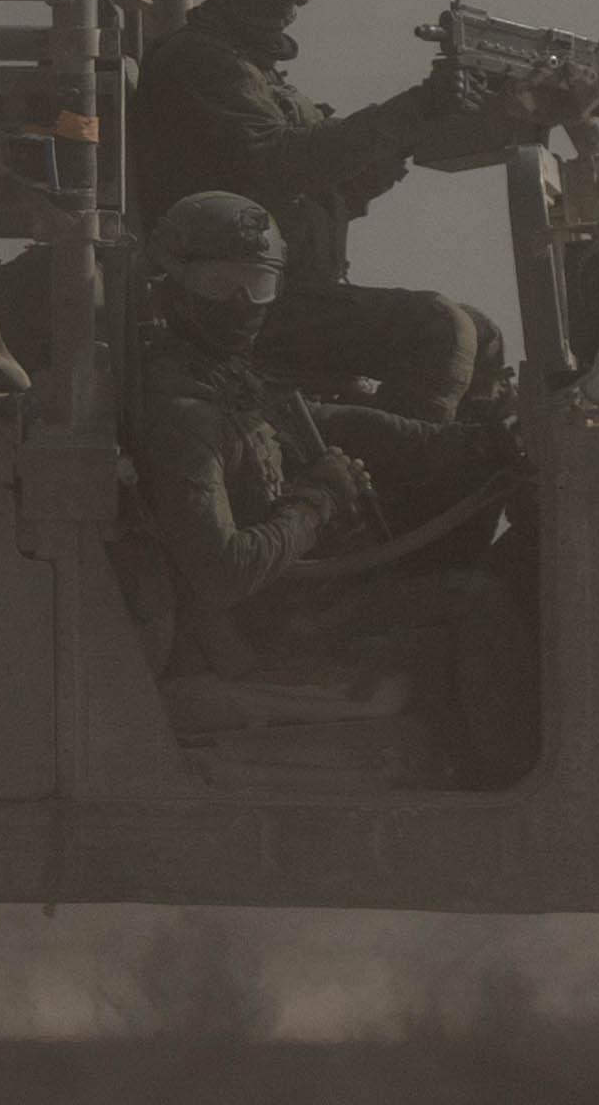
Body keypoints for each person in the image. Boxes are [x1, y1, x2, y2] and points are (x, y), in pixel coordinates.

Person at [127, 191, 535, 784]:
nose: (243, 303)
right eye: (220, 283)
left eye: (258, 284)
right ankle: (514, 794)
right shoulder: (184, 411)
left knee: (486, 543)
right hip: (268, 626)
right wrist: (316, 502)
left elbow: (336, 423)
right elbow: (223, 574)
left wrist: (488, 443)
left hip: (297, 594)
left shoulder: (217, 373)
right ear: (174, 282)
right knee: (475, 597)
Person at [131, 0, 508, 420]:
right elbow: (282, 165)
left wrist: (460, 111)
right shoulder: (200, 64)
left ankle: (477, 473)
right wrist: (417, 107)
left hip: (292, 295)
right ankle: (414, 481)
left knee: (482, 338)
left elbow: (342, 185)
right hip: (236, 303)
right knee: (440, 328)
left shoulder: (262, 79)